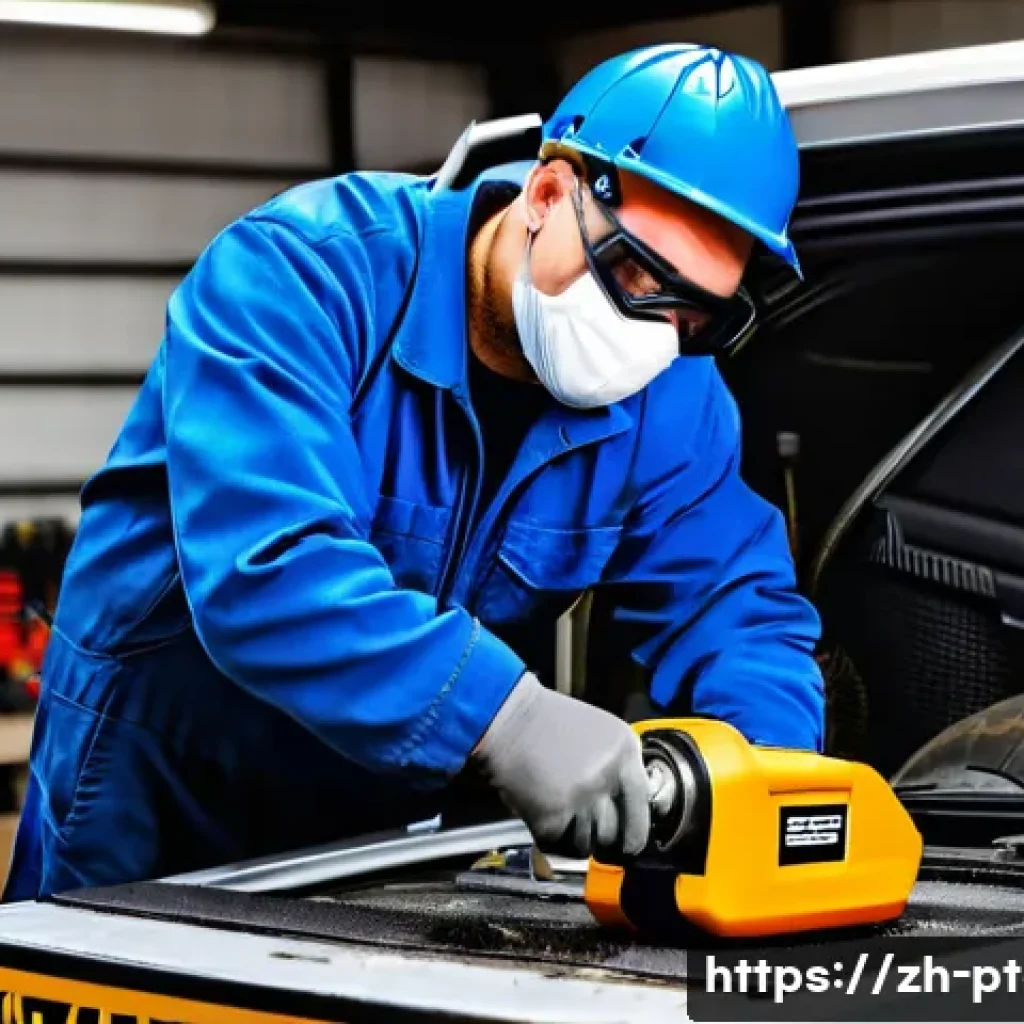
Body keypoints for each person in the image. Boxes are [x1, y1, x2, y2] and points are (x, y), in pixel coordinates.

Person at [3, 43, 824, 902]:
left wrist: (764, 787)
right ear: (548, 194)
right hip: (158, 792)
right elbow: (268, 568)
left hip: (374, 822)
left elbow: (738, 606)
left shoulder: (675, 401)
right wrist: (509, 719)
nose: (656, 334)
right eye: (635, 275)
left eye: (695, 312)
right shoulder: (304, 274)